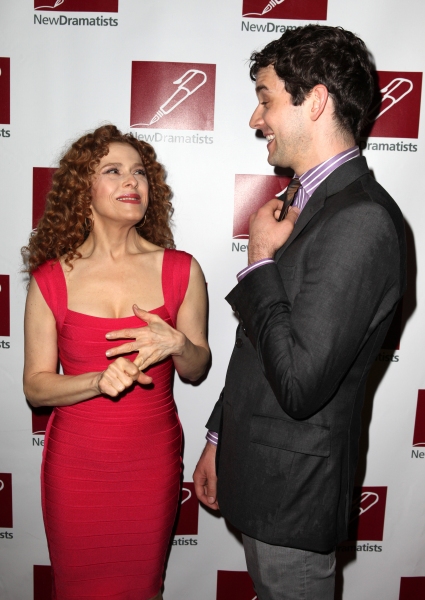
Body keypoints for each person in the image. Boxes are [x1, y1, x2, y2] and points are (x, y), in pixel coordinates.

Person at [192, 25, 406, 599]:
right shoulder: (308, 201)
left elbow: (299, 383)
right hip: (264, 478)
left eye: (265, 98)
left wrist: (259, 260)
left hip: (294, 496)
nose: (255, 119)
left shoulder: (360, 221)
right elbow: (264, 343)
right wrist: (219, 435)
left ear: (314, 101)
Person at [23, 124, 210, 600]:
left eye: (140, 173)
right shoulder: (50, 279)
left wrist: (178, 345)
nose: (133, 182)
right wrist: (95, 382)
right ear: (82, 190)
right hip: (77, 466)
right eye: (114, 171)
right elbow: (36, 388)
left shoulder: (181, 270)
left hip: (149, 463)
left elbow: (197, 367)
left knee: (142, 587)